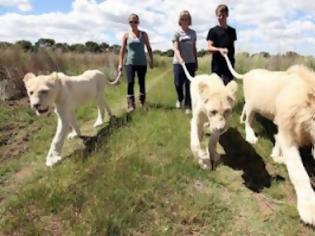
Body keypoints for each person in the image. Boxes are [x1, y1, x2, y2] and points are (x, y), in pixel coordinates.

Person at [118, 13, 153, 112]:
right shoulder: (126, 35)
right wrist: (120, 64)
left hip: (142, 63)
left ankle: (142, 103)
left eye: (135, 21)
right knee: (130, 82)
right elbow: (122, 51)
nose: (133, 23)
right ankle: (130, 105)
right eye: (131, 22)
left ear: (138, 22)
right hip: (130, 63)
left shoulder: (144, 34)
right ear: (129, 23)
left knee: (142, 82)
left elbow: (149, 48)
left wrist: (151, 61)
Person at [172, 10, 198, 114]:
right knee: (178, 83)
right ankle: (180, 98)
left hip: (190, 62)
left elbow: (194, 48)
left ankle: (188, 105)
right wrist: (180, 58)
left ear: (189, 20)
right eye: (182, 19)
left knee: (189, 84)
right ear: (180, 20)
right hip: (178, 63)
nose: (184, 21)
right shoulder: (177, 33)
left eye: (186, 19)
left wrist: (196, 61)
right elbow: (175, 48)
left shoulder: (193, 33)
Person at [207, 4, 237, 85]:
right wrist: (219, 50)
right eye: (219, 15)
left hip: (229, 65)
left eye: (223, 15)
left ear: (227, 15)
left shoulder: (232, 31)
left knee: (228, 89)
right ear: (216, 15)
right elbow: (209, 48)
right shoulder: (213, 31)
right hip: (217, 66)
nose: (221, 18)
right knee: (217, 89)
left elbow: (232, 47)